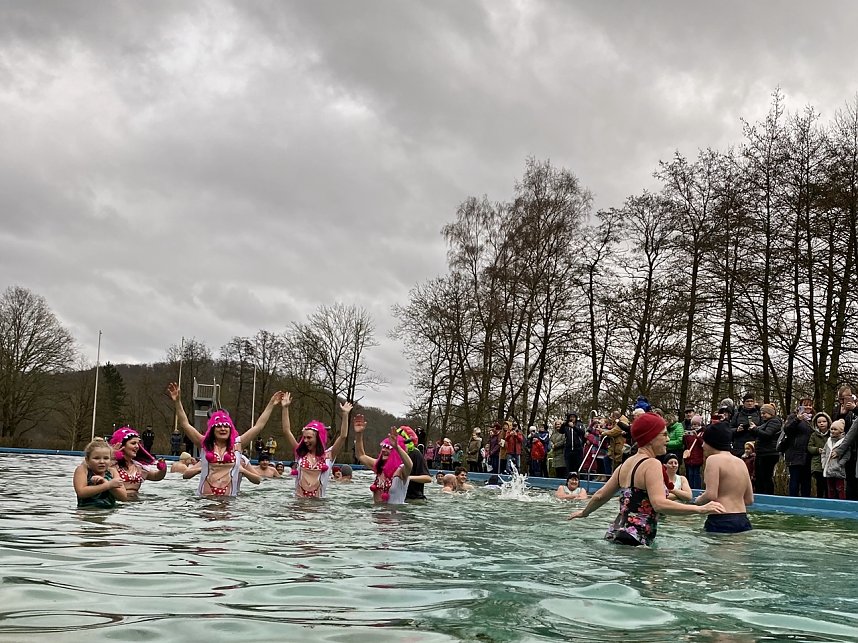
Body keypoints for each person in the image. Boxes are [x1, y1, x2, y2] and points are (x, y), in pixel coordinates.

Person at [568, 412, 725, 547]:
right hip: (637, 539)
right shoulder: (652, 464)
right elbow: (660, 504)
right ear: (650, 437)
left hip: (615, 534)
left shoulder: (625, 464)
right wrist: (700, 510)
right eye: (664, 434)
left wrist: (584, 513)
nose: (668, 439)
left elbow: (600, 495)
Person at [168, 382, 280, 496]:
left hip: (228, 500)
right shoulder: (205, 443)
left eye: (226, 426)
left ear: (231, 429)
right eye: (218, 426)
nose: (223, 429)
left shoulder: (238, 444)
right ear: (212, 429)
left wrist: (271, 404)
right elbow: (185, 424)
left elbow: (258, 426)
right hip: (205, 499)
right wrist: (177, 402)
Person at [281, 393, 352, 499]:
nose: (305, 440)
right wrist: (285, 408)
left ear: (317, 438)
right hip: (298, 504)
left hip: (319, 506)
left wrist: (345, 415)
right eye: (304, 437)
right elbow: (286, 431)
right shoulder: (299, 453)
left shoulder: (329, 455)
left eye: (309, 438)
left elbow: (343, 436)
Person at [695, 422, 754, 533]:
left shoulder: (713, 460)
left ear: (712, 442)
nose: (702, 446)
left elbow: (711, 494)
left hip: (721, 519)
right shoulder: (740, 462)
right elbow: (749, 500)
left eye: (704, 442)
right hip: (743, 520)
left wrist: (698, 501)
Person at [355, 423, 413, 505]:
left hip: (395, 515)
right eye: (383, 447)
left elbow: (409, 465)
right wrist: (359, 434)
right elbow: (360, 455)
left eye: (388, 448)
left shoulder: (401, 471)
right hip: (377, 513)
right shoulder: (378, 466)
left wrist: (397, 447)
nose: (383, 450)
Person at [109, 426, 167, 498]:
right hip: (118, 503)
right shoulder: (111, 464)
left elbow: (156, 476)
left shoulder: (138, 466)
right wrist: (112, 456)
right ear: (121, 445)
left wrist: (163, 468)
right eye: (133, 443)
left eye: (138, 443)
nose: (137, 446)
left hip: (136, 504)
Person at [73, 438, 128, 508]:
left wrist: (105, 482)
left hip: (109, 513)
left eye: (106, 458)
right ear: (87, 460)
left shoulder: (113, 471)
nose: (102, 461)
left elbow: (123, 497)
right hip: (87, 511)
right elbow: (81, 492)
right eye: (96, 458)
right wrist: (108, 485)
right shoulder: (83, 470)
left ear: (110, 459)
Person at [747, 403, 782, 495]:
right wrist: (753, 430)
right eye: (761, 413)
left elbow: (767, 434)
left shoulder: (775, 422)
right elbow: (760, 434)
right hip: (762, 453)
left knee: (766, 477)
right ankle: (760, 494)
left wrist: (756, 429)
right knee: (759, 477)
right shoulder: (766, 423)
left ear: (771, 413)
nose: (762, 416)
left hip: (769, 453)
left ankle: (767, 495)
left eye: (764, 413)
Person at [397, 425, 432, 501]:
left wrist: (408, 478)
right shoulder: (393, 453)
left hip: (414, 498)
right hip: (398, 497)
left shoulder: (415, 454)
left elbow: (427, 478)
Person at [822, 419, 851, 499]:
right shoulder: (828, 441)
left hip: (839, 470)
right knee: (830, 489)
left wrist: (840, 464)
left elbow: (847, 455)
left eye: (835, 429)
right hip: (828, 469)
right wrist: (824, 463)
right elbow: (824, 452)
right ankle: (831, 505)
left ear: (841, 431)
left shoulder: (843, 442)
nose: (833, 431)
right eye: (832, 429)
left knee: (840, 489)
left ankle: (842, 504)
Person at [808, 411, 832, 499]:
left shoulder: (832, 434)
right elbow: (809, 447)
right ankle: (820, 499)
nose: (821, 423)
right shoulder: (814, 435)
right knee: (820, 484)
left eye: (824, 421)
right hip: (817, 463)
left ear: (828, 422)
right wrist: (817, 450)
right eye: (819, 422)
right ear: (816, 424)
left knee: (828, 484)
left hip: (829, 462)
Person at [682, 414, 705, 489]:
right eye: (693, 424)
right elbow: (686, 445)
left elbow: (702, 444)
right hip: (690, 457)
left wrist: (697, 437)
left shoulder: (702, 433)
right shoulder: (689, 433)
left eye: (696, 424)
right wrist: (684, 437)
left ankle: (697, 490)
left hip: (698, 457)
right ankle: (690, 489)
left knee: (697, 475)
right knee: (690, 475)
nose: (694, 426)